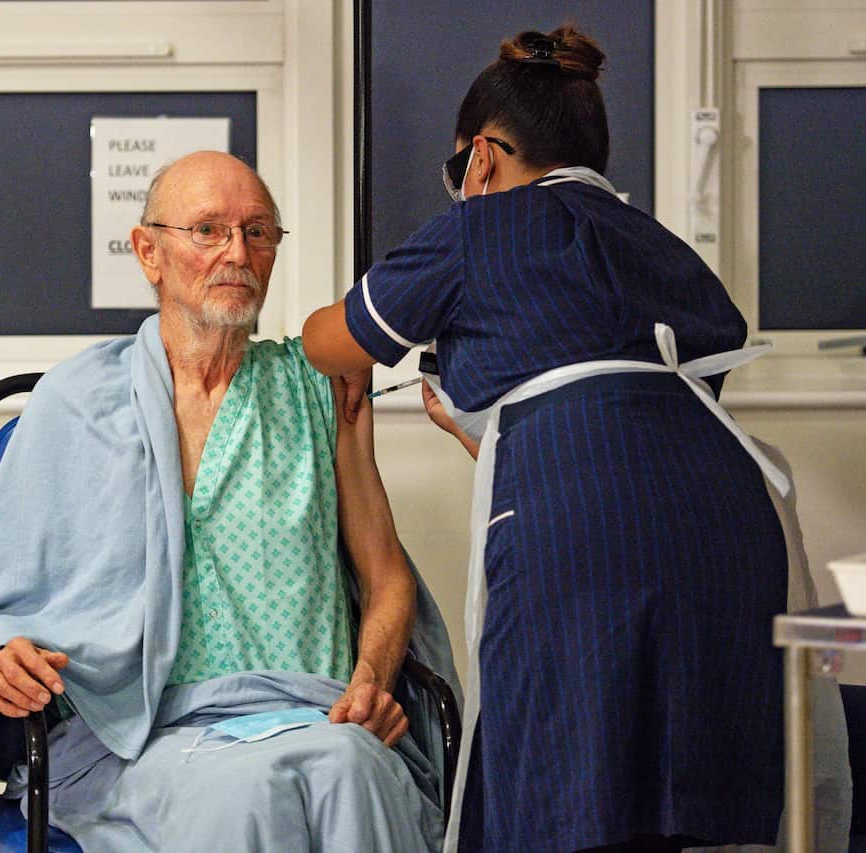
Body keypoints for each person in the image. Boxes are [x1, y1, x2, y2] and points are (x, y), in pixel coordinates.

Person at [303, 26, 794, 853]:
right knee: (684, 789)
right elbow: (630, 421)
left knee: (560, 784)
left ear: (484, 159)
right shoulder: (666, 249)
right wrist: (483, 429)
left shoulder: (477, 232)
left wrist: (338, 355)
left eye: (459, 169)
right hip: (729, 528)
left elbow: (332, 341)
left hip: (584, 532)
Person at [0, 151, 455, 851]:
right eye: (208, 230)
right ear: (149, 251)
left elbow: (387, 578)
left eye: (258, 232)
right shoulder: (72, 405)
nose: (237, 252)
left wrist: (369, 681)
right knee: (250, 791)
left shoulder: (321, 386)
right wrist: (1, 653)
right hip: (137, 736)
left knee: (354, 767)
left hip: (313, 715)